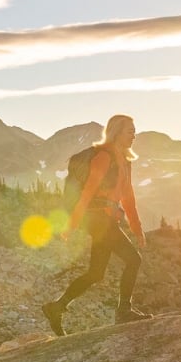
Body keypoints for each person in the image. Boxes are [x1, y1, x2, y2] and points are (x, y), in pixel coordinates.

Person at [41, 115, 154, 336]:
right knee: (133, 259)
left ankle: (56, 307)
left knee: (96, 273)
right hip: (97, 219)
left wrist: (137, 228)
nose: (134, 135)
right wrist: (71, 224)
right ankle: (124, 311)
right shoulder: (104, 156)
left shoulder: (124, 160)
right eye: (129, 131)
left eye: (134, 131)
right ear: (116, 132)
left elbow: (128, 198)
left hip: (106, 219)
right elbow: (88, 191)